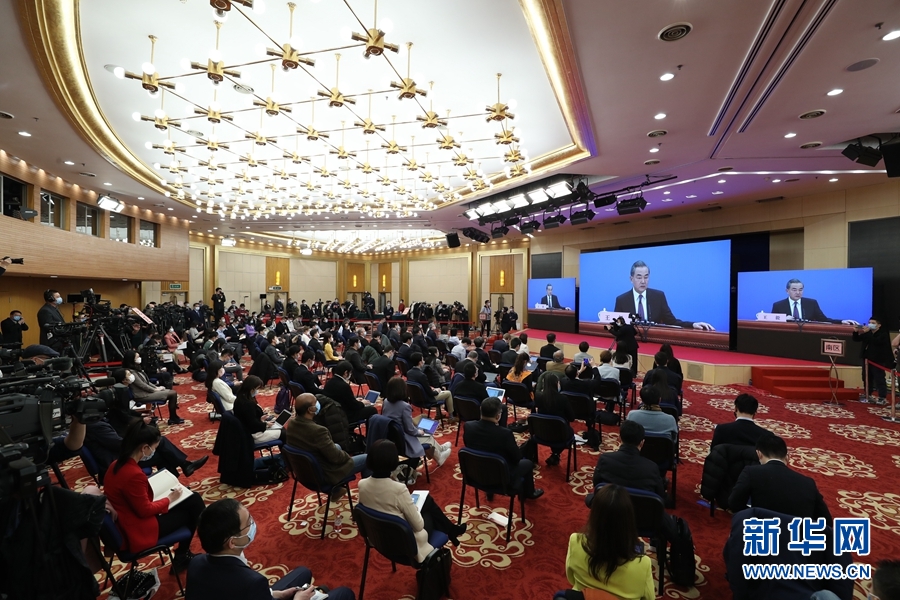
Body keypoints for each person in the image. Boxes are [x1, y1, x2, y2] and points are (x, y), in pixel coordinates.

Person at [187, 498, 355, 600]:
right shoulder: (251, 582)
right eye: (248, 523)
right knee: (344, 593)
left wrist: (276, 594)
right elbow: (246, 587)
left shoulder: (196, 562)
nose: (253, 524)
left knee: (303, 572)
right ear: (232, 542)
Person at [103, 420, 206, 574]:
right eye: (154, 448)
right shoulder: (133, 474)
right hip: (139, 529)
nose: (154, 452)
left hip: (128, 519)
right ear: (144, 448)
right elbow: (144, 510)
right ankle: (183, 555)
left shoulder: (115, 465)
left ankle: (183, 555)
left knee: (193, 499)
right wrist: (169, 499)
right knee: (192, 510)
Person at [358, 439, 466, 558]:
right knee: (429, 511)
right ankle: (450, 531)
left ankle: (451, 530)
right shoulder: (398, 489)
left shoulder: (362, 484)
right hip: (404, 542)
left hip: (377, 536)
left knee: (427, 501)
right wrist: (415, 509)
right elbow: (418, 526)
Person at [565, 484, 655, 599]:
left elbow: (571, 579)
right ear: (629, 521)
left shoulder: (576, 542)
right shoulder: (643, 564)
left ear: (594, 516)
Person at [729, 432, 831, 520]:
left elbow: (734, 504)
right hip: (796, 535)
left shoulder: (751, 472)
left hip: (762, 532)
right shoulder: (808, 482)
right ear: (787, 457)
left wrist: (755, 514)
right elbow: (826, 520)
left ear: (759, 454)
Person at [286, 393, 368, 498]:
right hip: (324, 474)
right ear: (310, 410)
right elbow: (336, 457)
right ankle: (369, 496)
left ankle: (336, 491)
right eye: (315, 402)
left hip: (304, 473)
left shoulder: (292, 424)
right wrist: (347, 457)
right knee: (368, 458)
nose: (318, 403)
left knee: (337, 446)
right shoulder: (318, 431)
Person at [463, 397, 543, 500]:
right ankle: (528, 494)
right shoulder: (505, 434)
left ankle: (489, 491)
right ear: (498, 416)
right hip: (501, 477)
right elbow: (517, 458)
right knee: (527, 463)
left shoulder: (468, 426)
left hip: (475, 473)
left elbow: (469, 446)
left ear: (480, 410)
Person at [613, 260, 715, 330]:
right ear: (631, 279)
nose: (643, 281)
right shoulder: (622, 300)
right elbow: (617, 327)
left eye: (646, 277)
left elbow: (672, 321)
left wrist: (693, 324)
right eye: (639, 277)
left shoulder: (658, 297)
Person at [381, 377, 452, 467]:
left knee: (424, 429)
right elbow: (410, 429)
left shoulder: (386, 401)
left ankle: (440, 449)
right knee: (427, 434)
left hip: (392, 437)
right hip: (404, 439)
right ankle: (439, 457)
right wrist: (418, 432)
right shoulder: (405, 406)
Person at [123, 350, 183, 425]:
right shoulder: (131, 372)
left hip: (147, 392)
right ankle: (173, 418)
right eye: (137, 357)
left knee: (170, 391)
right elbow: (142, 385)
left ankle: (173, 417)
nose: (139, 358)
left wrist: (157, 388)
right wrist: (155, 390)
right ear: (132, 359)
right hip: (142, 395)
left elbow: (147, 382)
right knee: (172, 393)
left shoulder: (137, 368)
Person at [770, 278, 857, 324]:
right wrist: (783, 319)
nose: (798, 292)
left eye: (800, 290)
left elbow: (823, 320)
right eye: (794, 290)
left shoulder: (811, 303)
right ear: (787, 291)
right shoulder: (778, 305)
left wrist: (841, 321)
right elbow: (771, 322)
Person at [535, 372, 575, 466]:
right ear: (556, 384)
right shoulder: (563, 399)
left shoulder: (538, 396)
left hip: (541, 432)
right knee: (567, 430)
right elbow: (571, 418)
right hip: (560, 434)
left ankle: (555, 454)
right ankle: (556, 454)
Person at [853, 317, 894, 404]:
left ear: (879, 325)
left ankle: (882, 397)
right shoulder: (868, 333)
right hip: (866, 359)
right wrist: (855, 332)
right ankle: (868, 394)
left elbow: (876, 341)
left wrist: (867, 333)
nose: (870, 324)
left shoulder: (883, 334)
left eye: (873, 323)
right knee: (866, 377)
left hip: (877, 360)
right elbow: (857, 339)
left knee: (879, 378)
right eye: (870, 322)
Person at [234, 375, 284, 444]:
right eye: (257, 388)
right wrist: (265, 424)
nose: (257, 391)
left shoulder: (240, 397)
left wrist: (260, 419)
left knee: (279, 428)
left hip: (246, 431)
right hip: (253, 435)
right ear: (252, 389)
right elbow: (253, 425)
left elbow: (249, 418)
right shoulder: (247, 404)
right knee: (283, 432)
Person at [406, 352, 455, 420]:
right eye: (423, 360)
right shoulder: (422, 375)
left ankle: (439, 414)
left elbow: (422, 387)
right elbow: (430, 393)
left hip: (415, 398)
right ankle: (451, 417)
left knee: (435, 389)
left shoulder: (409, 373)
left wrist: (433, 389)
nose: (424, 361)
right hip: (426, 399)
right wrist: (437, 391)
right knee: (448, 393)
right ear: (420, 362)